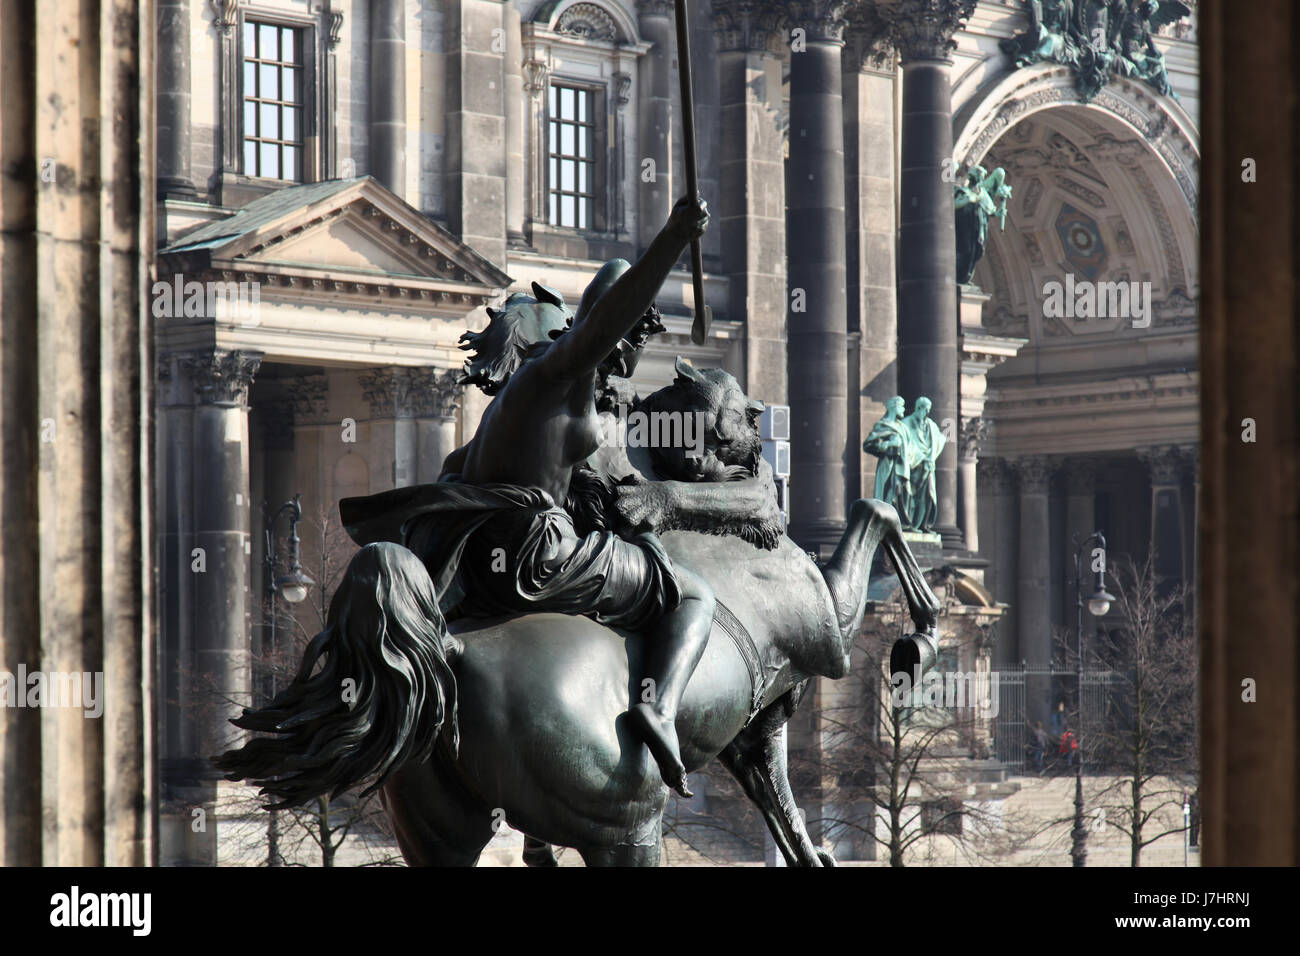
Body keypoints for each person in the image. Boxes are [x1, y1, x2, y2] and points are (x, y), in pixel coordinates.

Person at [364, 196, 714, 799]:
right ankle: (658, 709)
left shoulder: (502, 409)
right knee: (692, 594)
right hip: (538, 557)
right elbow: (608, 318)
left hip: (486, 564)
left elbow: (454, 482)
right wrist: (674, 237)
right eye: (622, 334)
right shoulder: (557, 373)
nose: (624, 351)